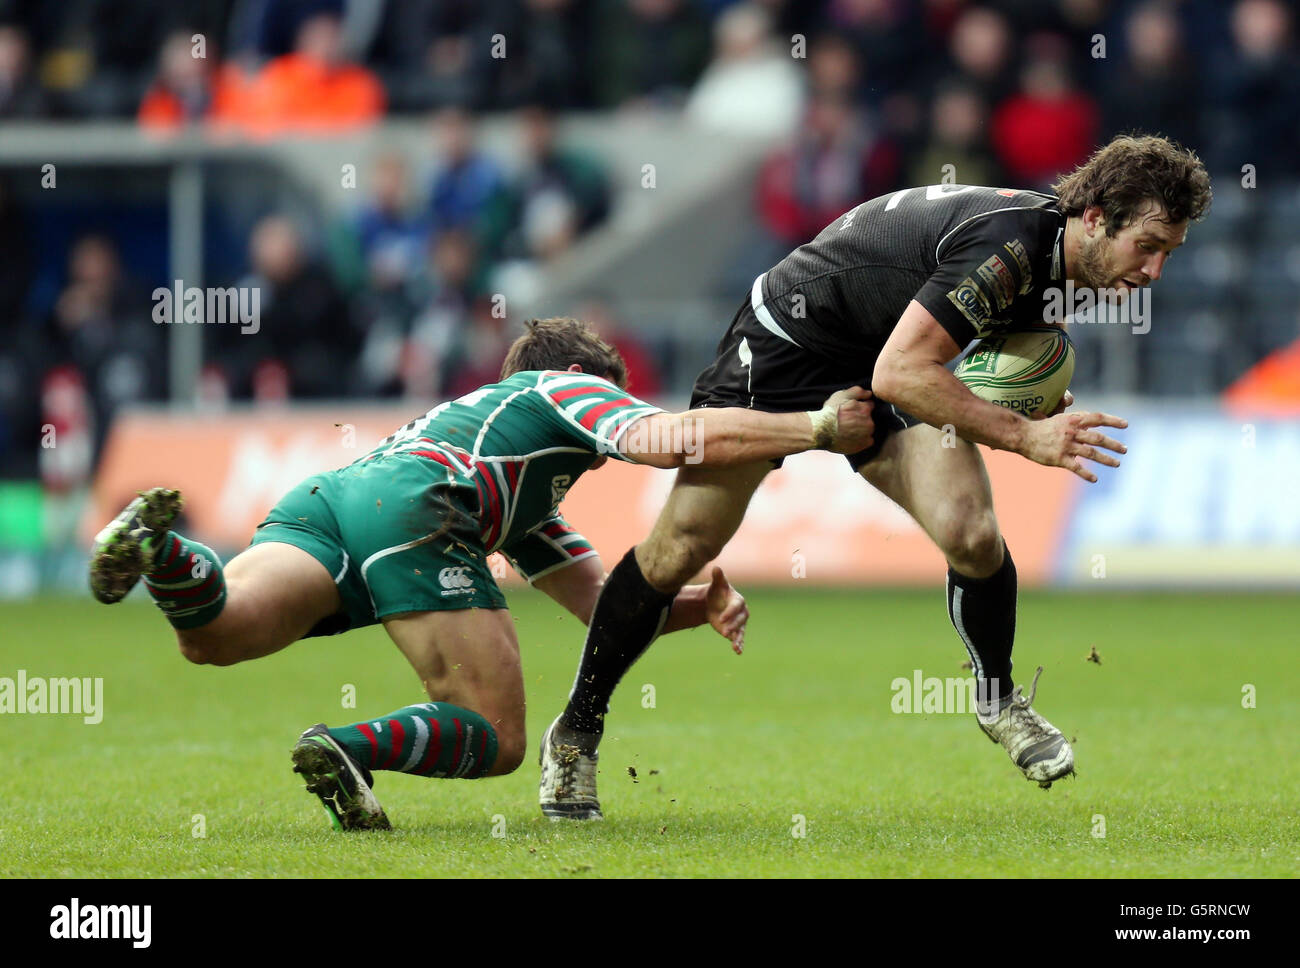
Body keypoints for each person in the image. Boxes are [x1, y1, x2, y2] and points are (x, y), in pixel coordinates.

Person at [539, 134, 1212, 820]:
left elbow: (950, 360)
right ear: (1097, 216)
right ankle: (575, 732)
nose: (1155, 271)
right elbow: (904, 373)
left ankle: (998, 700)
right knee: (682, 546)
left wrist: (1019, 404)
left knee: (971, 532)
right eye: (1149, 246)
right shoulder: (1009, 247)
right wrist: (1021, 433)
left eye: (1170, 254)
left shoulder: (1069, 262)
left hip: (886, 354)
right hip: (788, 344)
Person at [87, 318, 874, 831]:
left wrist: (695, 606)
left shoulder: (521, 487)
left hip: (335, 501)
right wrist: (812, 427)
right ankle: (348, 745)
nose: (612, 409)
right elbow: (665, 437)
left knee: (215, 636)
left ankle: (164, 554)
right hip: (418, 505)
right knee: (496, 737)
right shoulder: (561, 384)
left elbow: (600, 606)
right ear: (577, 373)